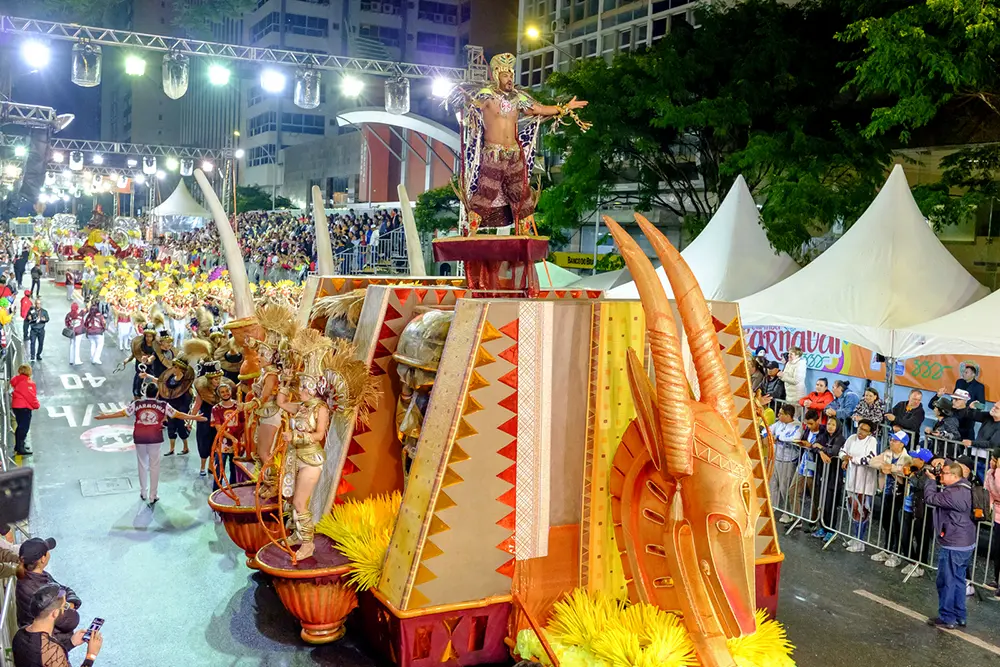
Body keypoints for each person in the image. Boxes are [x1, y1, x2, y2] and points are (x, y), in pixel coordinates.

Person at [453, 53, 587, 231]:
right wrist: (469, 106)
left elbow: (538, 109)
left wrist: (564, 108)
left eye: (511, 75)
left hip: (515, 154)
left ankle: (524, 234)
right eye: (505, 75)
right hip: (493, 153)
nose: (509, 79)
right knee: (487, 191)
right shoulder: (486, 95)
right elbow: (473, 107)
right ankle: (472, 232)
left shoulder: (518, 98)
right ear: (495, 75)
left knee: (522, 194)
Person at [95, 383, 206, 505]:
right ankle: (153, 495)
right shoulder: (163, 405)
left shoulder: (137, 404)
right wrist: (195, 418)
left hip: (139, 437)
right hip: (155, 438)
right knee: (155, 466)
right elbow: (178, 414)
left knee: (142, 464)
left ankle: (143, 492)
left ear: (145, 392)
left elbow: (123, 413)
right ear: (157, 393)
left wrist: (105, 416)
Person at [924, 460, 976, 630]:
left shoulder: (953, 493)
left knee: (947, 581)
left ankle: (947, 617)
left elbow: (930, 498)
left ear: (955, 476)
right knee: (959, 580)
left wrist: (931, 480)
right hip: (966, 541)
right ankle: (960, 616)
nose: (941, 475)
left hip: (954, 542)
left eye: (945, 473)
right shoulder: (966, 488)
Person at [15, 538, 82, 651]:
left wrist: (66, 601)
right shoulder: (39, 590)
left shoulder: (31, 575)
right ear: (43, 559)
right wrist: (69, 605)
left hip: (41, 638)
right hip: (50, 644)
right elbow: (70, 621)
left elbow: (62, 589)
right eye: (47, 551)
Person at [13, 584, 102, 667]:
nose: (66, 610)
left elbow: (40, 659)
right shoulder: (51, 650)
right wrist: (91, 656)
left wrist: (71, 643)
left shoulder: (20, 634)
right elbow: (47, 656)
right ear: (55, 613)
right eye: (64, 606)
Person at [867, 431, 912, 568]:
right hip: (887, 492)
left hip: (899, 494)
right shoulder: (887, 453)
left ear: (902, 444)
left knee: (897, 523)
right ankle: (887, 549)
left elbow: (906, 471)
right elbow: (872, 461)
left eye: (895, 441)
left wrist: (891, 468)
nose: (892, 442)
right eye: (891, 439)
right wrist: (882, 466)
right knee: (886, 521)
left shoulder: (907, 458)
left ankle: (896, 553)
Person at [840, 419, 879, 552]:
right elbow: (842, 451)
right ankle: (855, 537)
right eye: (860, 428)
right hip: (851, 479)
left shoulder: (872, 441)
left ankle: (860, 541)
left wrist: (853, 460)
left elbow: (870, 459)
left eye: (864, 430)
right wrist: (844, 458)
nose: (860, 432)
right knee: (853, 509)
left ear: (870, 432)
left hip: (864, 481)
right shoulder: (851, 438)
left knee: (862, 511)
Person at [901, 448, 936, 579]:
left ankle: (920, 564)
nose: (912, 459)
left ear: (922, 460)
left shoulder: (928, 473)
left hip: (922, 509)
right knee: (905, 536)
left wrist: (911, 476)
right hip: (910, 506)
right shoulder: (914, 469)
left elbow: (923, 486)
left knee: (921, 537)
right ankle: (911, 560)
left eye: (915, 457)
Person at [810, 416, 845, 540]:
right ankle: (823, 527)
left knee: (831, 503)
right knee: (823, 502)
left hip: (834, 475)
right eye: (829, 424)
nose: (830, 426)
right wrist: (820, 452)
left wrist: (821, 448)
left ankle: (831, 529)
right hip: (822, 473)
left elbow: (834, 452)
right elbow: (812, 447)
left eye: (833, 425)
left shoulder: (840, 439)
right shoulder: (823, 435)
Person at [769, 404, 802, 523]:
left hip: (788, 460)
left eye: (781, 413)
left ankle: (788, 513)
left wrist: (778, 438)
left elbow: (795, 439)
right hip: (776, 458)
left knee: (785, 487)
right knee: (773, 485)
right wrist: (770, 436)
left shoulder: (797, 426)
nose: (778, 415)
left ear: (788, 416)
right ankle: (772, 508)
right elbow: (766, 430)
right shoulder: (779, 423)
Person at [210, 381, 243, 491]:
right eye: (222, 392)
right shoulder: (216, 409)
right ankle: (216, 493)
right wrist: (231, 438)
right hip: (223, 444)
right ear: (219, 394)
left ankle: (233, 491)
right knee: (219, 469)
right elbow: (219, 428)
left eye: (227, 391)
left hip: (237, 444)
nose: (225, 394)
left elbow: (243, 422)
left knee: (234, 469)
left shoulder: (238, 406)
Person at [11, 363, 40, 456]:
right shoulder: (27, 383)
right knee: (23, 428)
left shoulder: (17, 380)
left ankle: (19, 445)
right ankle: (20, 448)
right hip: (24, 408)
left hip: (17, 407)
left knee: (20, 427)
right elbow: (30, 396)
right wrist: (36, 405)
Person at [984, 449, 1000, 596]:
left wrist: (999, 472)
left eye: (995, 460)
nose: (991, 462)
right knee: (996, 550)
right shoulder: (990, 473)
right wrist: (988, 509)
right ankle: (996, 579)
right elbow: (988, 491)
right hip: (997, 514)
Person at [28, 297, 49, 362]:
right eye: (37, 304)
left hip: (41, 330)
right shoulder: (31, 310)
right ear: (35, 304)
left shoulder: (44, 311)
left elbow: (47, 319)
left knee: (41, 343)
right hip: (33, 329)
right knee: (32, 343)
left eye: (39, 304)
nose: (38, 305)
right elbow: (28, 317)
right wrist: (29, 318)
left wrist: (44, 319)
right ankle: (32, 356)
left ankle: (38, 354)